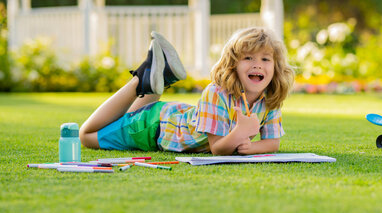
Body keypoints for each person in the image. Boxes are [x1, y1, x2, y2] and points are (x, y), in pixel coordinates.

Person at [79, 28, 295, 155]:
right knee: (86, 136)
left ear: (275, 67)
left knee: (124, 118)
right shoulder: (217, 93)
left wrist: (250, 147)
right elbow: (218, 148)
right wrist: (240, 133)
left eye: (265, 59)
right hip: (153, 127)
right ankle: (141, 78)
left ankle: (161, 78)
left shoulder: (269, 97)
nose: (257, 65)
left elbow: (272, 143)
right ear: (233, 65)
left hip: (176, 115)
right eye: (248, 58)